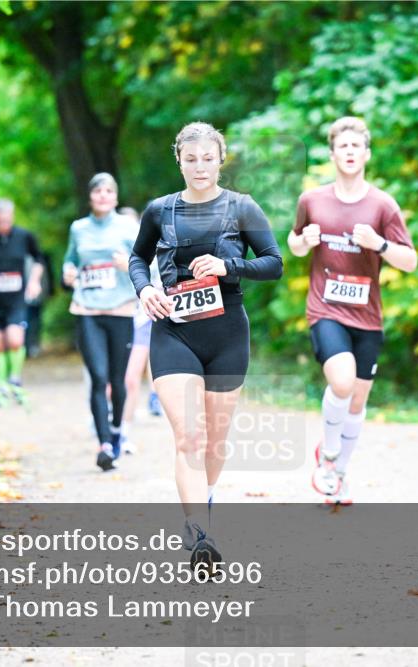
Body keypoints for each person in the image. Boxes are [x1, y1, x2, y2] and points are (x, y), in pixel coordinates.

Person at [129, 121, 283, 570]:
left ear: (221, 159)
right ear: (178, 160)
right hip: (174, 329)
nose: (200, 166)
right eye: (191, 158)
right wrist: (144, 290)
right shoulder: (159, 210)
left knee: (215, 442)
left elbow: (273, 264)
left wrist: (227, 265)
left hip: (227, 332)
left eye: (208, 158)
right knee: (189, 437)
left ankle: (203, 504)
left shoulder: (242, 208)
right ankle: (200, 537)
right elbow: (139, 257)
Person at [287, 117, 417, 505]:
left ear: (366, 154)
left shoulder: (382, 204)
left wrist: (378, 244)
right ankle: (327, 458)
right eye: (342, 146)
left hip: (368, 318)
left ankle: (339, 474)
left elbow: (409, 260)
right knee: (341, 382)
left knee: (357, 401)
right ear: (331, 154)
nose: (348, 152)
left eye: (355, 146)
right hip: (326, 309)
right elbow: (293, 244)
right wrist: (303, 241)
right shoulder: (312, 200)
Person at [63, 174, 140, 472]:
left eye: (109, 191)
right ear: (90, 197)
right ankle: (105, 444)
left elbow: (147, 262)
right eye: (98, 190)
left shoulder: (128, 227)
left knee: (118, 381)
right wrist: (68, 272)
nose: (103, 195)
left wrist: (129, 264)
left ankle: (117, 430)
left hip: (120, 308)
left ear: (116, 198)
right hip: (87, 308)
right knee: (98, 376)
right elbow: (70, 261)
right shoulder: (78, 228)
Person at [0, 199, 44, 390]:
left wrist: (34, 281)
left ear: (12, 217)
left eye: (7, 219)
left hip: (16, 299)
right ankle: (0, 384)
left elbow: (39, 259)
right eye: (0, 220)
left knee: (15, 339)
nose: (4, 223)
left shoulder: (24, 236)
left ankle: (15, 377)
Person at [119, 206, 162, 455]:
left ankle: (124, 431)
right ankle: (109, 421)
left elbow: (157, 278)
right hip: (114, 317)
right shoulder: (107, 250)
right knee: (117, 379)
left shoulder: (149, 249)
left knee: (131, 377)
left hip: (141, 318)